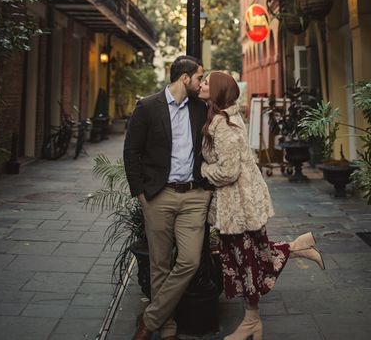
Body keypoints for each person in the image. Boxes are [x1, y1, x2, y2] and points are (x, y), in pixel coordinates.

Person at [199, 71, 325, 340]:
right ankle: (297, 248)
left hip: (239, 206)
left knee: (246, 261)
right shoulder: (225, 119)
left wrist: (203, 169)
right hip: (241, 204)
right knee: (252, 255)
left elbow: (228, 172)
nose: (201, 84)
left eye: (207, 82)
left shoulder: (225, 125)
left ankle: (251, 321)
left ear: (218, 90)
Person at [123, 55, 212, 340]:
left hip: (193, 196)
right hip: (158, 195)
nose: (201, 82)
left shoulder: (200, 108)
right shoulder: (148, 107)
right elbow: (131, 151)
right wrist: (140, 192)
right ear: (184, 78)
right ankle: (167, 327)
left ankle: (149, 320)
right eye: (199, 77)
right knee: (159, 264)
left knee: (189, 261)